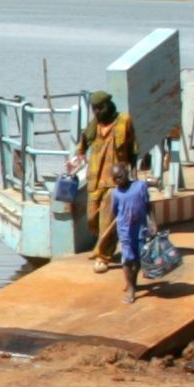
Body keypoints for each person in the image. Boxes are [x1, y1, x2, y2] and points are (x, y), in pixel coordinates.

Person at [78, 91, 132, 264]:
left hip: (115, 179)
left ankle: (103, 255)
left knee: (107, 218)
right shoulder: (93, 125)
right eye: (94, 109)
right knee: (91, 219)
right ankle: (107, 241)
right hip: (95, 179)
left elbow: (133, 149)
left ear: (108, 106)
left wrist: (132, 175)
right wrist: (77, 158)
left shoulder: (124, 122)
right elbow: (82, 146)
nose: (97, 112)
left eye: (100, 108)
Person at [109, 165, 155, 301]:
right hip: (125, 230)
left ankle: (132, 281)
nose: (117, 180)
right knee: (128, 259)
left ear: (126, 173)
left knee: (139, 259)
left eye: (120, 176)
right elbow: (114, 212)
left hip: (140, 228)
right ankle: (131, 288)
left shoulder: (140, 187)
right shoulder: (115, 193)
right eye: (114, 178)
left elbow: (148, 206)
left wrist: (153, 223)